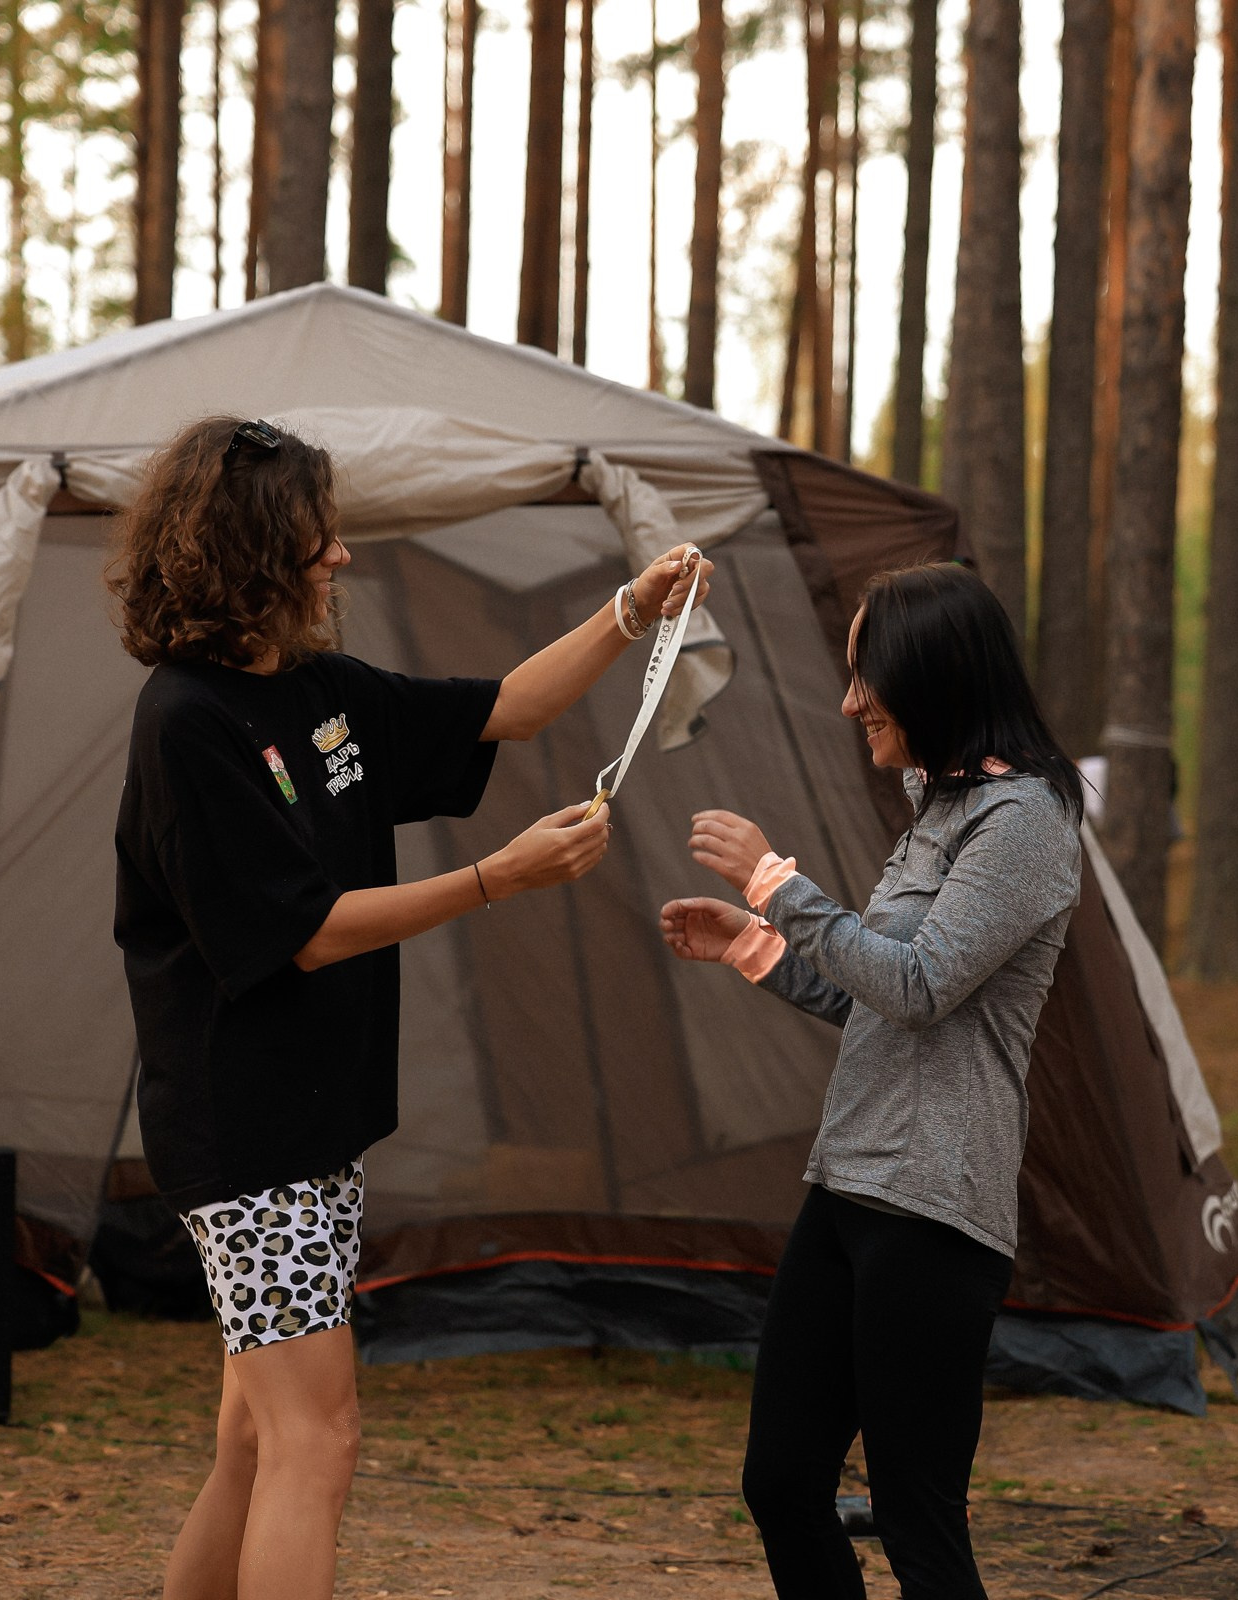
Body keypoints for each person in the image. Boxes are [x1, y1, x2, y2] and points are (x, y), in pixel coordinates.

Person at [107, 415, 709, 1600]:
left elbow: (508, 708)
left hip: (313, 1127)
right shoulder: (186, 723)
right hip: (244, 1141)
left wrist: (630, 612)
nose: (338, 556)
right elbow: (308, 932)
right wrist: (497, 878)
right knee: (315, 1445)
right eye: (313, 535)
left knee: (254, 1441)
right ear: (249, 552)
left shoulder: (320, 690)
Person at [657, 562, 1084, 1600]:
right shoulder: (939, 805)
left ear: (933, 676)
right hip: (851, 1180)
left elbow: (925, 982)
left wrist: (775, 880)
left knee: (915, 1512)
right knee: (782, 1479)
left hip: (936, 1202)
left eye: (868, 678)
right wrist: (756, 946)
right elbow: (871, 994)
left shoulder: (1023, 822)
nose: (851, 701)